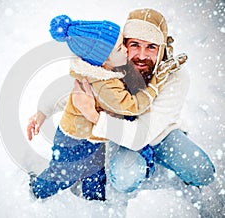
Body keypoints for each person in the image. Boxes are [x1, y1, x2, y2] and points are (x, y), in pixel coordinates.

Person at [29, 14, 186, 201]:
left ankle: (95, 204)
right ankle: (38, 188)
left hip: (94, 137)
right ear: (103, 60)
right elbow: (132, 106)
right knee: (63, 174)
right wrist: (154, 86)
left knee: (95, 173)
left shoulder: (110, 69)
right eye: (121, 48)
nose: (127, 52)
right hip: (74, 138)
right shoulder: (105, 85)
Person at [71, 8, 216, 193]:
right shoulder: (112, 66)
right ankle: (140, 165)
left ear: (162, 48)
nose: (141, 55)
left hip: (161, 133)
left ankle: (158, 155)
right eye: (135, 44)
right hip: (121, 132)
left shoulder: (175, 76)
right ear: (124, 44)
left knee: (203, 173)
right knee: (125, 177)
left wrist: (93, 115)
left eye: (151, 47)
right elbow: (82, 59)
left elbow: (141, 135)